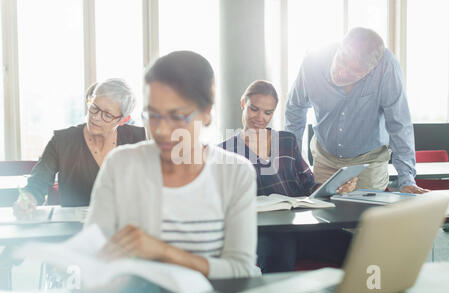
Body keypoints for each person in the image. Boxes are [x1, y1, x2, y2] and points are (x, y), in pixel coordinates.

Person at [85, 51, 260, 279]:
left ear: (207, 113)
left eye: (177, 117)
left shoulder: (235, 173)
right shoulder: (120, 165)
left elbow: (240, 270)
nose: (161, 131)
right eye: (153, 115)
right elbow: (90, 253)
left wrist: (163, 251)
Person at [220, 80, 357, 273]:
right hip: (266, 232)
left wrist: (335, 187)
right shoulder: (225, 152)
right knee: (279, 260)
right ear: (244, 104)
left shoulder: (286, 140)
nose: (260, 117)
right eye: (254, 109)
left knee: (359, 247)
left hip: (302, 226)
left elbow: (308, 185)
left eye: (268, 112)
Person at [286, 27, 428, 194]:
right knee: (324, 214)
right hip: (325, 158)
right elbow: (295, 109)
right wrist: (292, 162)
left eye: (355, 71)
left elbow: (399, 124)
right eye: (342, 60)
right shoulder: (313, 62)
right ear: (340, 48)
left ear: (370, 70)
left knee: (367, 217)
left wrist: (406, 179)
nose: (342, 72)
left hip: (368, 162)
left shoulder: (387, 67)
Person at [13, 78, 146, 217]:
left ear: (123, 119)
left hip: (126, 229)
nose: (95, 117)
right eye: (94, 108)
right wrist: (27, 199)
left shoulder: (139, 139)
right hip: (73, 230)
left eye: (107, 115)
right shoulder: (62, 141)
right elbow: (37, 183)